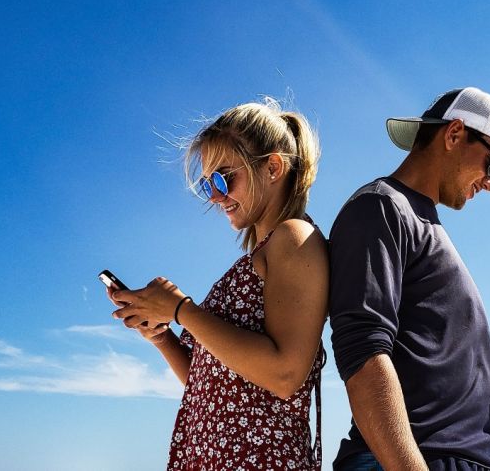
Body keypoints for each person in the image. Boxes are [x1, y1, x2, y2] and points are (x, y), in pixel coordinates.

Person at [329, 87, 490, 471]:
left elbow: (429, 375)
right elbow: (363, 352)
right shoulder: (381, 207)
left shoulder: (422, 224)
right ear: (454, 134)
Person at [107, 99, 328, 470]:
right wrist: (162, 335)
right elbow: (211, 385)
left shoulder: (293, 237)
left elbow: (285, 374)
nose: (215, 195)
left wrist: (181, 310)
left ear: (273, 167)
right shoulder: (256, 256)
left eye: (225, 178)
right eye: (208, 183)